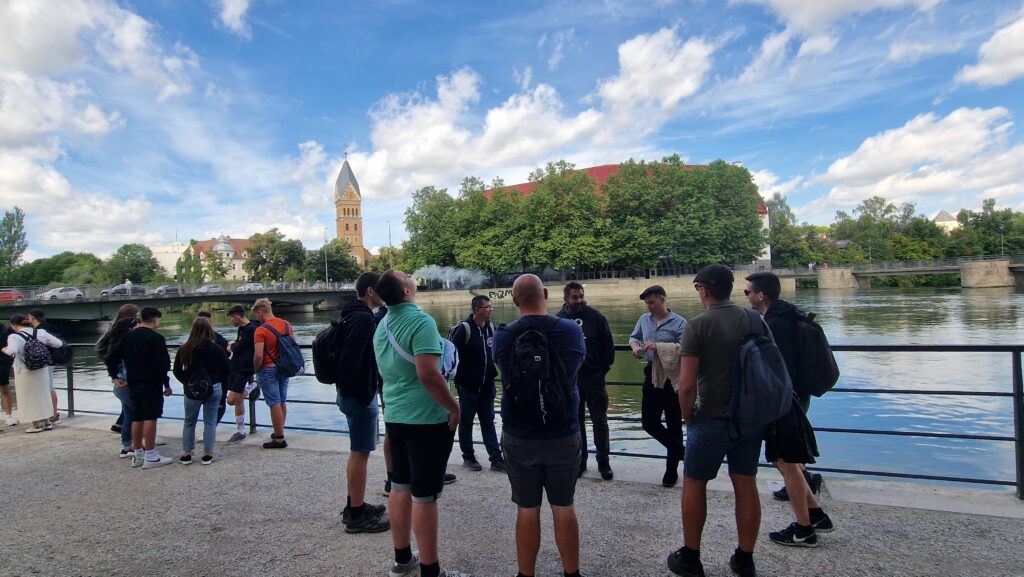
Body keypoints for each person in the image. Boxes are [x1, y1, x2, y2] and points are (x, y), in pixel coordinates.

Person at [668, 265, 764, 577]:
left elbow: (686, 384)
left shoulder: (697, 325)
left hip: (709, 417)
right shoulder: (754, 319)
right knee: (746, 484)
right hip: (748, 419)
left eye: (698, 288)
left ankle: (691, 557)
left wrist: (687, 417)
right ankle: (745, 558)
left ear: (704, 289)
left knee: (695, 484)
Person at [372, 270, 467, 577]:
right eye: (405, 276)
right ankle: (431, 569)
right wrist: (454, 407)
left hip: (396, 416)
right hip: (426, 419)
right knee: (425, 495)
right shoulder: (421, 322)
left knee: (400, 486)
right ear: (407, 291)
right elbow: (429, 374)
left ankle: (402, 560)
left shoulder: (382, 326)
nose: (411, 277)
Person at [493, 274, 587, 577]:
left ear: (515, 300)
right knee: (563, 506)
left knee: (527, 508)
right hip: (563, 431)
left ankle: (526, 574)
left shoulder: (504, 336)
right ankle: (571, 573)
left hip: (519, 433)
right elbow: (574, 371)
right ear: (545, 293)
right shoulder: (571, 331)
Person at [744, 272, 833, 546]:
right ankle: (816, 514)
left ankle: (803, 529)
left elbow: (777, 368)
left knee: (786, 461)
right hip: (796, 396)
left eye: (748, 292)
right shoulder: (790, 315)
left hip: (784, 400)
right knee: (787, 460)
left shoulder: (776, 324)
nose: (746, 296)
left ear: (761, 295)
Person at [335, 272, 390, 533]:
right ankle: (356, 516)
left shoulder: (351, 314)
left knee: (359, 452)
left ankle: (354, 504)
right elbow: (351, 361)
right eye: (381, 289)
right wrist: (361, 394)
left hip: (352, 394)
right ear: (370, 291)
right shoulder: (364, 319)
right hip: (359, 396)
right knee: (360, 453)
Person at [628, 285, 687, 487]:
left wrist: (658, 346)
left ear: (663, 299)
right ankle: (683, 453)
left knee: (673, 424)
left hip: (671, 377)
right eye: (647, 303)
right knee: (649, 422)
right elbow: (634, 337)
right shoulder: (644, 319)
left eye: (652, 302)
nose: (649, 307)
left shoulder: (679, 323)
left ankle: (671, 471)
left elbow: (684, 349)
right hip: (651, 373)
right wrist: (636, 347)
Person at [557, 282, 615, 480]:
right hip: (570, 382)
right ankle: (580, 462)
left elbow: (609, 347)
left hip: (594, 380)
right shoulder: (558, 320)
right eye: (575, 297)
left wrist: (602, 371)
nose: (579, 300)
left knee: (600, 421)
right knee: (576, 422)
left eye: (581, 296)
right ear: (566, 299)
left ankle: (604, 462)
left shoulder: (596, 317)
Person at [105, 307, 174, 469]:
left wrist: (115, 377)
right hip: (151, 383)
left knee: (137, 417)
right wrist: (166, 384)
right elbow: (162, 365)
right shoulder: (156, 338)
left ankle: (138, 454)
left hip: (132, 383)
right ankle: (151, 455)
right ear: (155, 319)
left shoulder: (128, 337)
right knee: (150, 417)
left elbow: (111, 357)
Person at [450, 295, 505, 473]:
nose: (490, 309)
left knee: (488, 420)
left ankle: (496, 459)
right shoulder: (464, 330)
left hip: (487, 385)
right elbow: (452, 356)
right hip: (468, 386)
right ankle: (468, 457)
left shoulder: (491, 327)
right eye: (487, 307)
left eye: (490, 306)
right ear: (476, 310)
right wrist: (460, 378)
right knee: (466, 421)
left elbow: (496, 354)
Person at [173, 317, 230, 465]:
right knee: (210, 422)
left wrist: (187, 383)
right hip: (214, 387)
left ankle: (187, 453)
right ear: (209, 330)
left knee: (189, 422)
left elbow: (177, 371)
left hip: (192, 389)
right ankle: (207, 454)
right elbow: (227, 369)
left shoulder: (184, 348)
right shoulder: (216, 348)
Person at [3, 314, 63, 433]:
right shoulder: (40, 332)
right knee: (43, 395)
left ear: (14, 325)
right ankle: (47, 422)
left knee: (29, 397)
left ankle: (35, 425)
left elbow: (12, 351)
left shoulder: (14, 337)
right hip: (42, 368)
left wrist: (4, 349)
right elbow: (58, 343)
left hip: (25, 370)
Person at [252, 298, 293, 449]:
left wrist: (256, 369)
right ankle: (279, 430)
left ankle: (279, 438)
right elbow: (292, 344)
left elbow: (258, 355)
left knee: (273, 402)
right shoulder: (286, 324)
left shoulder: (261, 330)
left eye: (256, 314)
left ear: (260, 311)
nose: (257, 317)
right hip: (284, 367)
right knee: (282, 400)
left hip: (268, 368)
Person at [96, 304, 141, 439]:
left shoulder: (113, 332)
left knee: (128, 412)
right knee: (138, 412)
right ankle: (139, 442)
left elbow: (107, 355)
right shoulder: (126, 336)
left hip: (120, 380)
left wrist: (114, 376)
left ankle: (126, 444)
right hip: (127, 380)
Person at [224, 305, 259, 443]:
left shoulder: (251, 330)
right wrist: (234, 346)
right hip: (236, 366)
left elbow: (239, 347)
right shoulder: (242, 329)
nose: (230, 321)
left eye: (231, 318)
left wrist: (231, 346)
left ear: (237, 316)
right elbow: (238, 347)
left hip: (244, 369)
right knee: (238, 399)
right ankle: (241, 429)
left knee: (231, 400)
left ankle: (253, 386)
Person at [26, 309, 60, 425]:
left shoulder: (39, 330)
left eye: (29, 317)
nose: (28, 319)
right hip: (49, 360)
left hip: (44, 362)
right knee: (48, 387)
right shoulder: (48, 327)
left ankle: (53, 414)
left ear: (33, 318)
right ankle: (51, 413)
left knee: (48, 388)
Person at [0, 320, 15, 427]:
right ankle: (9, 416)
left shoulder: (6, 330)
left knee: (4, 389)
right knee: (5, 389)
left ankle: (9, 415)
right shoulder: (6, 329)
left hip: (3, 363)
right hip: (3, 362)